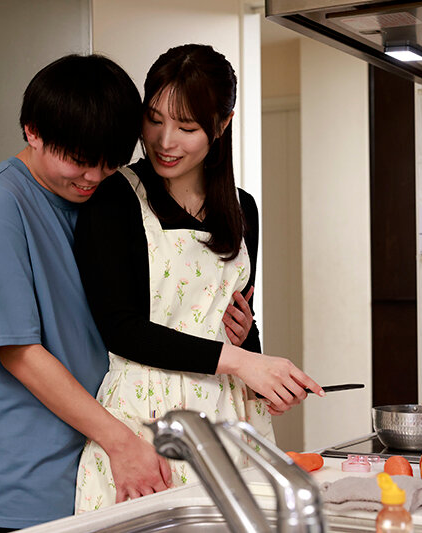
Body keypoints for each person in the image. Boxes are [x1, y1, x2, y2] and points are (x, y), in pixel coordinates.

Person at [72, 44, 324, 513]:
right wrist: (243, 363)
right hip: (146, 420)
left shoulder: (243, 209)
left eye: (187, 128)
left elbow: (236, 321)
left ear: (222, 125)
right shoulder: (115, 198)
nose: (165, 141)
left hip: (230, 418)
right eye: (154, 119)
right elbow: (121, 328)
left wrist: (264, 378)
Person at [0, 54, 170, 532]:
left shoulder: (101, 200)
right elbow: (20, 353)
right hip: (25, 480)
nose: (92, 177)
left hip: (94, 465)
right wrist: (122, 443)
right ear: (32, 132)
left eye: (108, 164)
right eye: (79, 161)